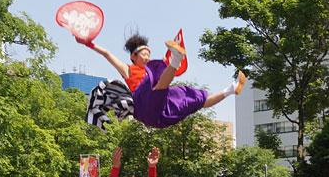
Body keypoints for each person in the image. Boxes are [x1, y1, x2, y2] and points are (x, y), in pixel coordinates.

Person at [82, 32, 245, 129]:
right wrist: (90, 44)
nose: (147, 57)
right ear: (134, 56)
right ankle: (175, 60)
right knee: (155, 76)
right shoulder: (128, 70)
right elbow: (107, 54)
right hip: (143, 106)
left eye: (149, 54)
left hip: (161, 113)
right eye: (144, 54)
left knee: (193, 98)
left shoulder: (152, 72)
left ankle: (231, 89)